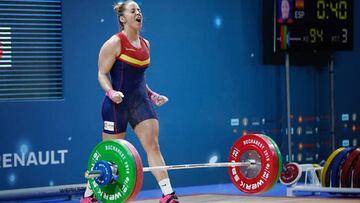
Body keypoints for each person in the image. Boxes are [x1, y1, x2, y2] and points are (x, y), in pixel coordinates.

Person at [80, 1, 179, 203]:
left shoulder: (146, 44)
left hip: (140, 102)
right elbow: (101, 74)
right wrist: (111, 93)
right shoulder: (114, 43)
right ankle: (88, 196)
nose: (138, 13)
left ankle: (168, 194)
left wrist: (152, 95)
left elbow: (139, 79)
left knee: (153, 146)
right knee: (108, 154)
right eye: (133, 10)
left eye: (139, 10)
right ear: (123, 18)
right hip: (117, 105)